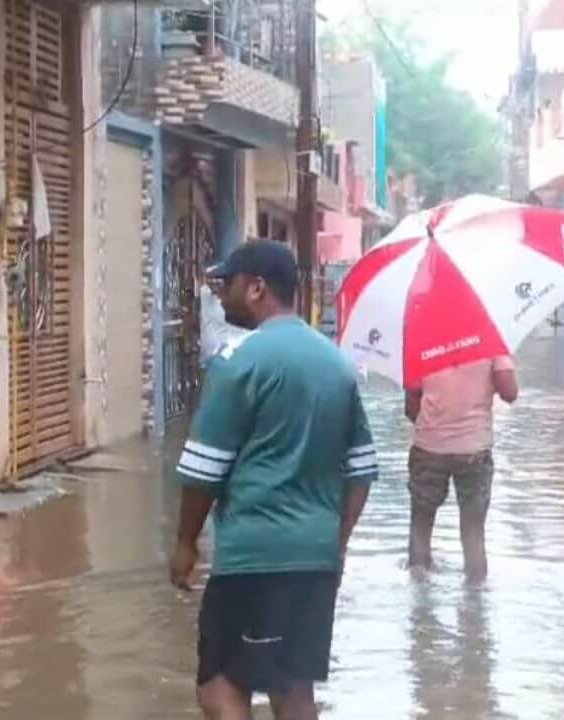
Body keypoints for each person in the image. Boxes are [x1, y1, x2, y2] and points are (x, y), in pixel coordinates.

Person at [170, 241, 377, 720]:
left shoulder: (238, 361)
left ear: (257, 287)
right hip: (314, 559)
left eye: (229, 285)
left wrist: (185, 543)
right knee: (293, 691)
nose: (222, 298)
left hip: (251, 559)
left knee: (220, 685)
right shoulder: (338, 364)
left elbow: (203, 471)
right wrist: (336, 543)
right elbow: (362, 470)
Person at [404, 356, 518, 581]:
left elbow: (411, 408)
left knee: (421, 526)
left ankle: (419, 606)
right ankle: (475, 606)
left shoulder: (423, 341)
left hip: (429, 448)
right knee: (473, 532)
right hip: (474, 450)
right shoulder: (489, 339)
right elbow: (510, 392)